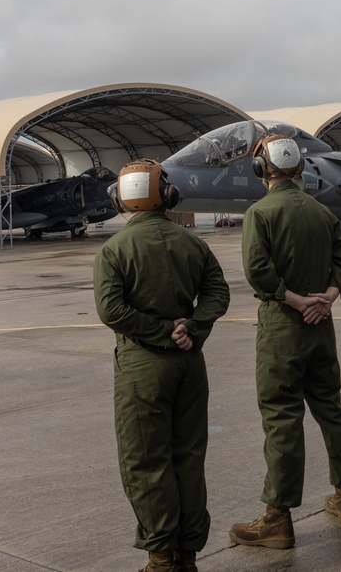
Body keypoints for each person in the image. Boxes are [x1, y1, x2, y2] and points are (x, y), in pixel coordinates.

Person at [93, 159, 230, 572]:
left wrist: (159, 331)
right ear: (166, 195)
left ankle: (161, 557)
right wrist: (191, 327)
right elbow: (217, 293)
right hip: (190, 363)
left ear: (122, 199)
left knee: (146, 461)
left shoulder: (114, 250)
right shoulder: (193, 243)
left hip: (143, 367)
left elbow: (111, 310)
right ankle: (187, 554)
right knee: (188, 457)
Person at [229, 134, 341, 551]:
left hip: (283, 326)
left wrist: (296, 300)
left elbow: (258, 271)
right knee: (332, 410)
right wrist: (327, 297)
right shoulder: (322, 212)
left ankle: (277, 519)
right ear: (299, 167)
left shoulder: (260, 213)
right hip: (321, 326)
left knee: (282, 418)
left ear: (261, 169)